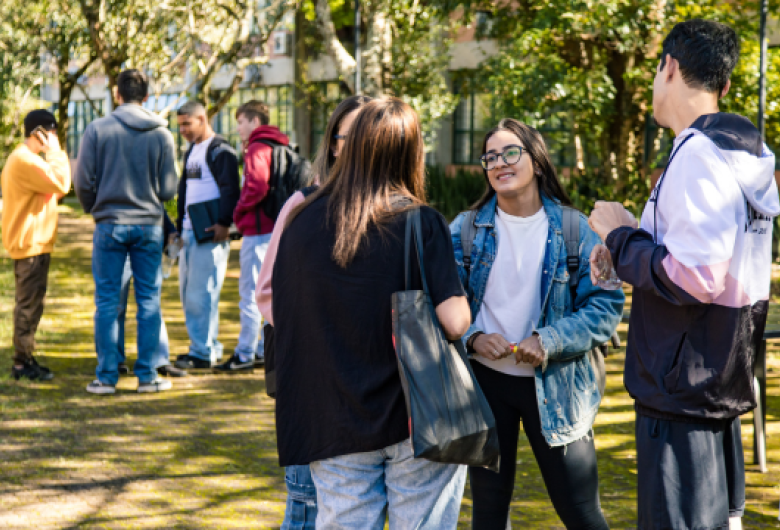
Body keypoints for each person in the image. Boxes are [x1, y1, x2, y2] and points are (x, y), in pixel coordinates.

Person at [588, 19, 779, 530]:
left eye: (656, 69)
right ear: (726, 85)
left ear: (669, 67)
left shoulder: (698, 156)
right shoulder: (745, 155)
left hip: (680, 387)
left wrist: (619, 236)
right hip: (716, 379)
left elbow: (696, 276)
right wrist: (637, 235)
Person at [272, 97, 471, 529]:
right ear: (409, 152)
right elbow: (455, 322)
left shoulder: (301, 220)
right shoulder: (420, 222)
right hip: (416, 411)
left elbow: (283, 312)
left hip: (331, 413)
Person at [450, 118, 623, 530]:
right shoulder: (465, 228)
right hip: (486, 385)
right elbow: (441, 301)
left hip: (559, 386)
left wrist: (549, 340)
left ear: (537, 161)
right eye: (490, 156)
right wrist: (473, 337)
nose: (499, 163)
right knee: (488, 513)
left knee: (581, 512)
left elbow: (607, 307)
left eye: (510, 152)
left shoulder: (577, 229)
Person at [256, 94, 371, 530]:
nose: (359, 144)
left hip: (378, 390)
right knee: (307, 504)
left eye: (370, 133)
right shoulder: (303, 205)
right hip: (313, 378)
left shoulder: (401, 211)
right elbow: (267, 294)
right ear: (334, 144)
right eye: (349, 134)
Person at [74, 69, 178, 394]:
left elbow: (82, 181)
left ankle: (106, 377)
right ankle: (147, 377)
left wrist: (95, 207)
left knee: (107, 300)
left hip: (110, 223)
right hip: (149, 224)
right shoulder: (162, 134)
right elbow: (169, 189)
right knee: (149, 300)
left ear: (116, 94)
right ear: (146, 96)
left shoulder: (97, 129)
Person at [213, 100, 289, 373]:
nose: (238, 128)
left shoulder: (257, 147)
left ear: (255, 121)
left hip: (257, 232)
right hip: (275, 230)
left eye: (241, 121)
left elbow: (256, 186)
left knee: (251, 293)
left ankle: (245, 353)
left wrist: (239, 209)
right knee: (270, 292)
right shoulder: (279, 145)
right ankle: (260, 348)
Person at [1, 110, 71, 381]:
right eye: (51, 133)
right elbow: (63, 183)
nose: (54, 139)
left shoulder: (27, 160)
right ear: (39, 133)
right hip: (29, 244)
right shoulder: (24, 160)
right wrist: (55, 152)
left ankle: (26, 356)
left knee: (32, 304)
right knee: (28, 305)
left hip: (34, 243)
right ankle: (21, 363)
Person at [172, 100, 240, 370]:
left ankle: (204, 352)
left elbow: (231, 190)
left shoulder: (221, 151)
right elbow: (186, 191)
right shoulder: (192, 150)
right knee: (189, 295)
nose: (183, 130)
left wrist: (224, 223)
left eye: (187, 124)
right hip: (189, 233)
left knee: (203, 295)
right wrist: (179, 228)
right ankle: (201, 347)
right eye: (180, 125)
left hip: (210, 236)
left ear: (202, 119)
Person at [116, 212, 187, 378]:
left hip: (146, 234)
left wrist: (169, 229)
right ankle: (113, 361)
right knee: (115, 304)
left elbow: (157, 195)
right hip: (116, 233)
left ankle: (158, 359)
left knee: (150, 304)